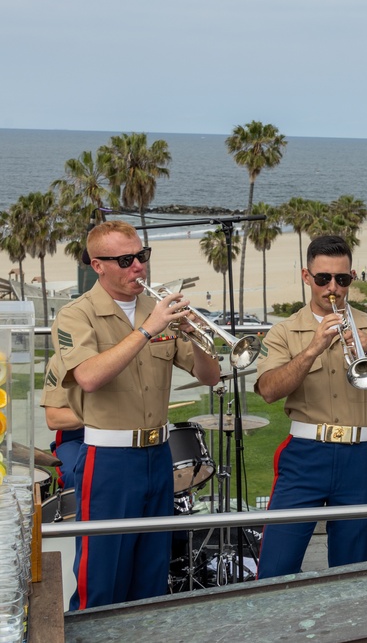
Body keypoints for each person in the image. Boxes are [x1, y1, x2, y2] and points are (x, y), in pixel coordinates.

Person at [54, 220, 221, 610]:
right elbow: (89, 377)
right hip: (109, 458)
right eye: (126, 260)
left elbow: (210, 376)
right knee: (101, 575)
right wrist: (148, 329)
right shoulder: (77, 315)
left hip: (157, 455)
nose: (139, 268)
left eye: (142, 256)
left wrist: (194, 335)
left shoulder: (156, 311)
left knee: (151, 573)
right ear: (98, 265)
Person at [254, 235, 367, 577]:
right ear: (306, 276)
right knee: (277, 563)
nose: (333, 288)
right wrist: (312, 348)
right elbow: (269, 390)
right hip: (305, 453)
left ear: (351, 278)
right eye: (323, 278)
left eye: (342, 279)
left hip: (360, 455)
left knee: (351, 568)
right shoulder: (284, 330)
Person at [40, 349, 84, 491]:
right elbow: (54, 418)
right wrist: (108, 416)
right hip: (77, 438)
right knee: (75, 474)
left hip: (130, 438)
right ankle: (74, 512)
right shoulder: (61, 359)